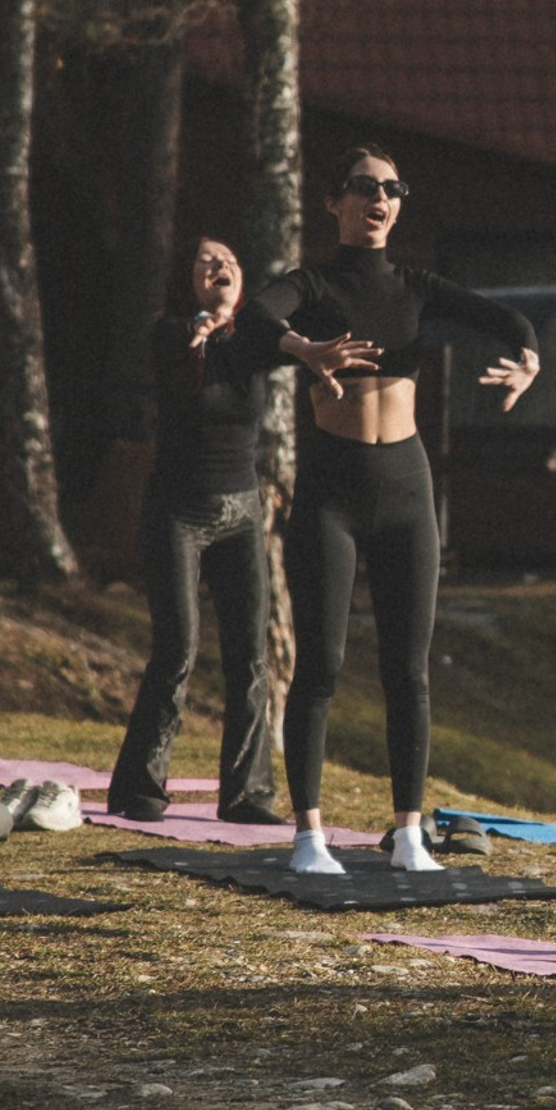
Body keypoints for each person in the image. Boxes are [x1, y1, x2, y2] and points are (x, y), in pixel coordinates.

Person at [251, 147, 537, 875]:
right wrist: (303, 348)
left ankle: (410, 831)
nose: (380, 198)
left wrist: (528, 359)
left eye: (393, 189)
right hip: (332, 492)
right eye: (364, 187)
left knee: (408, 671)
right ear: (334, 202)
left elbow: (504, 317)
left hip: (407, 489)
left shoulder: (415, 285)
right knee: (320, 665)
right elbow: (254, 318)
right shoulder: (311, 284)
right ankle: (309, 836)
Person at [105, 238, 363, 826]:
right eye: (204, 262)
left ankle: (247, 795)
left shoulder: (253, 342)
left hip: (242, 513)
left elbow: (284, 339)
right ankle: (140, 787)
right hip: (177, 512)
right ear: (190, 281)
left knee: (250, 657)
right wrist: (198, 331)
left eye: (228, 262)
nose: (217, 267)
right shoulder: (169, 334)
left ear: (242, 281)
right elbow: (173, 353)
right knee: (177, 649)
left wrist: (312, 347)